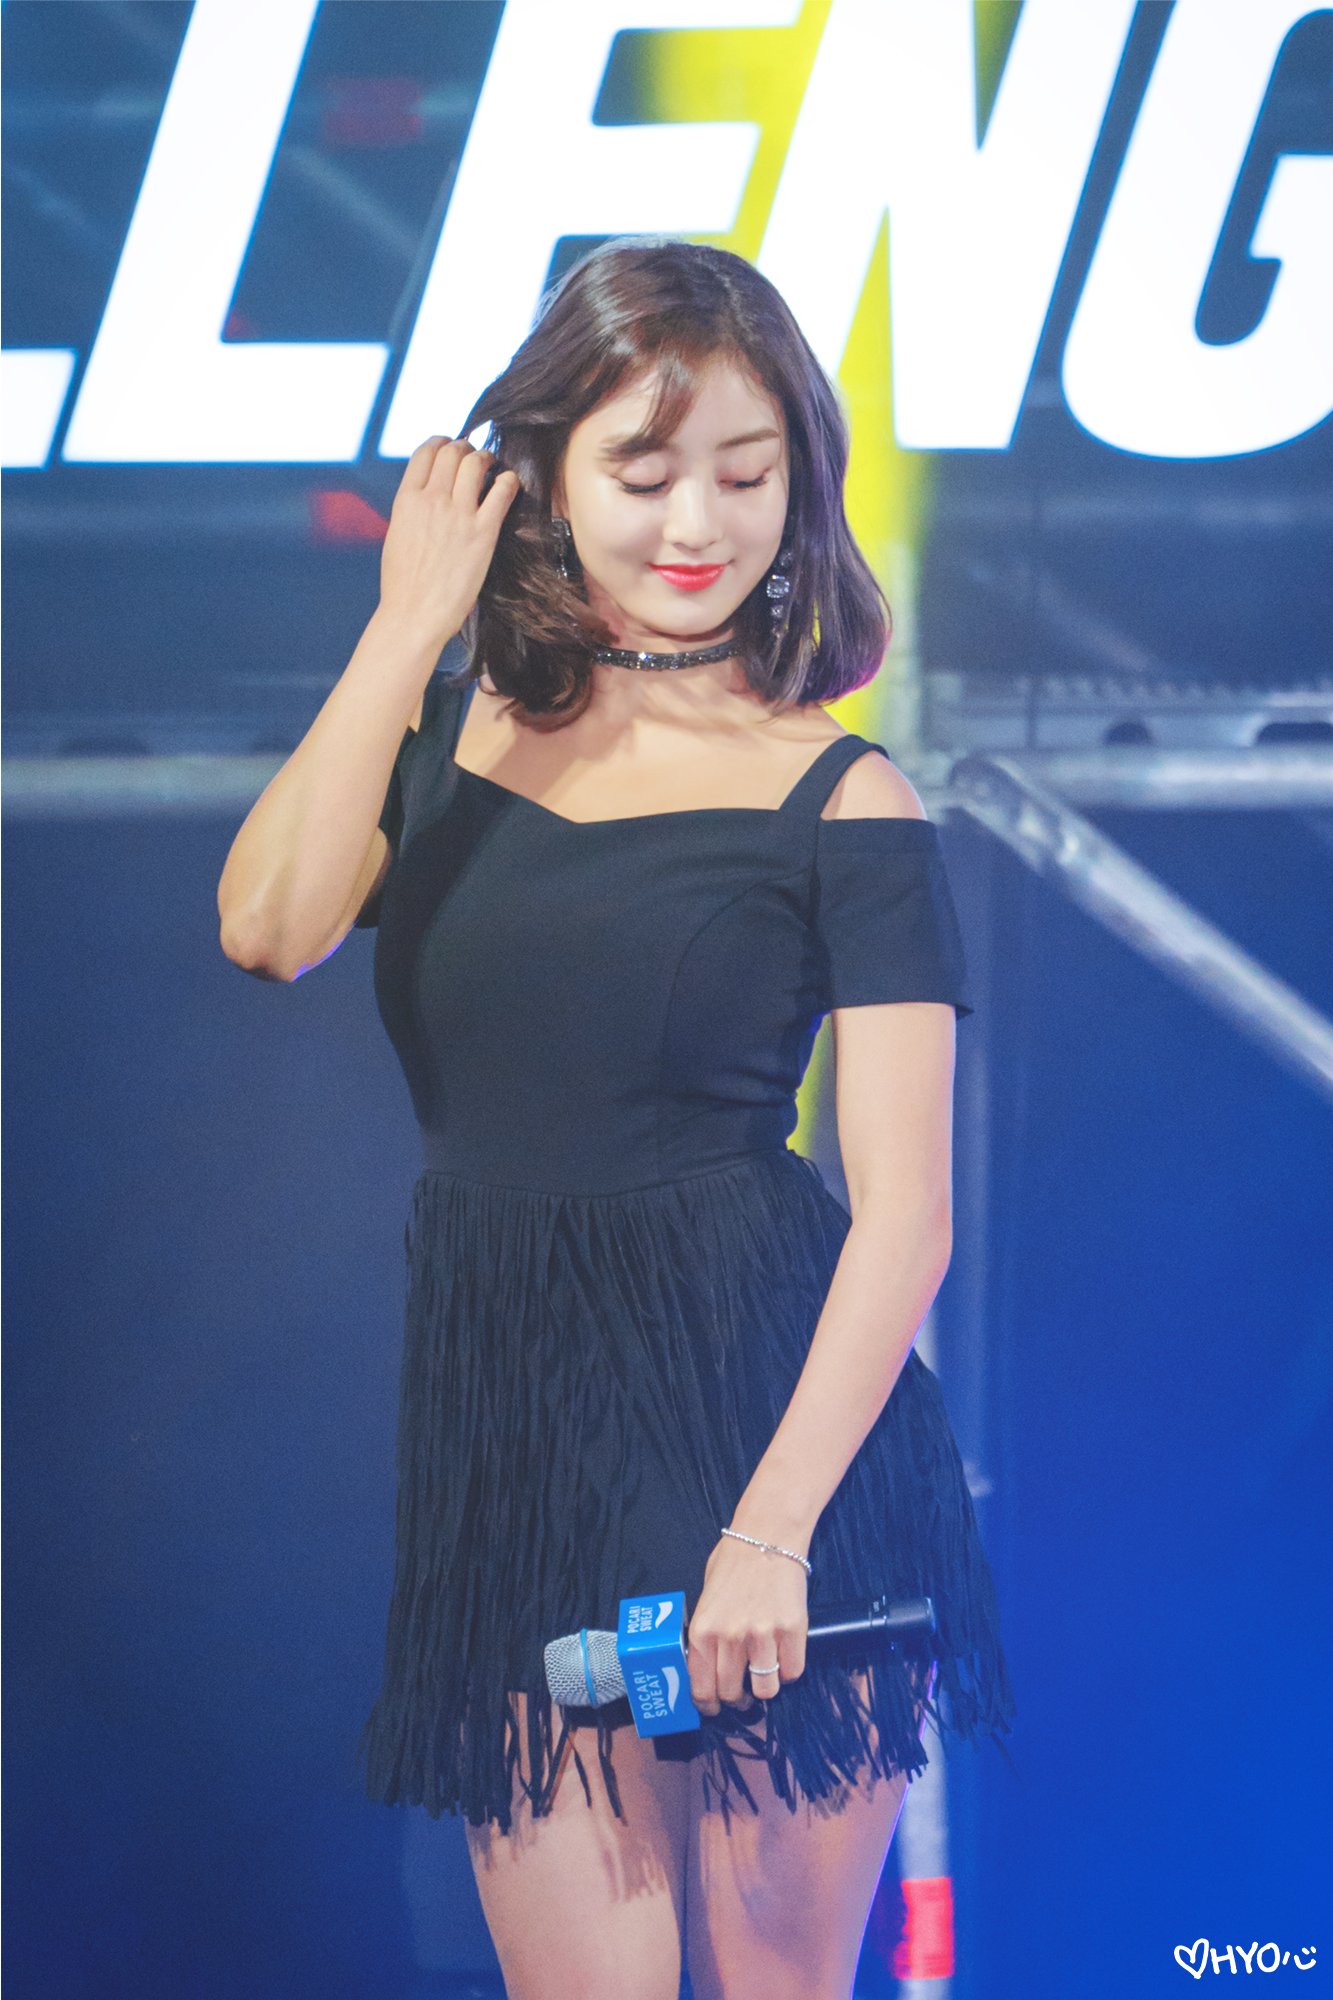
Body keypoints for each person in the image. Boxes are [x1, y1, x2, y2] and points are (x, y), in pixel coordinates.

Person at [218, 236, 1015, 2000]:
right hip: (521, 1450)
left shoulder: (843, 795)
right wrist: (405, 628)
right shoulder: (445, 737)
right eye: (644, 473)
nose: (697, 522)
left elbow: (904, 1215)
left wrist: (768, 1530)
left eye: (746, 472)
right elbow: (266, 928)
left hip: (778, 1450)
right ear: (542, 475)